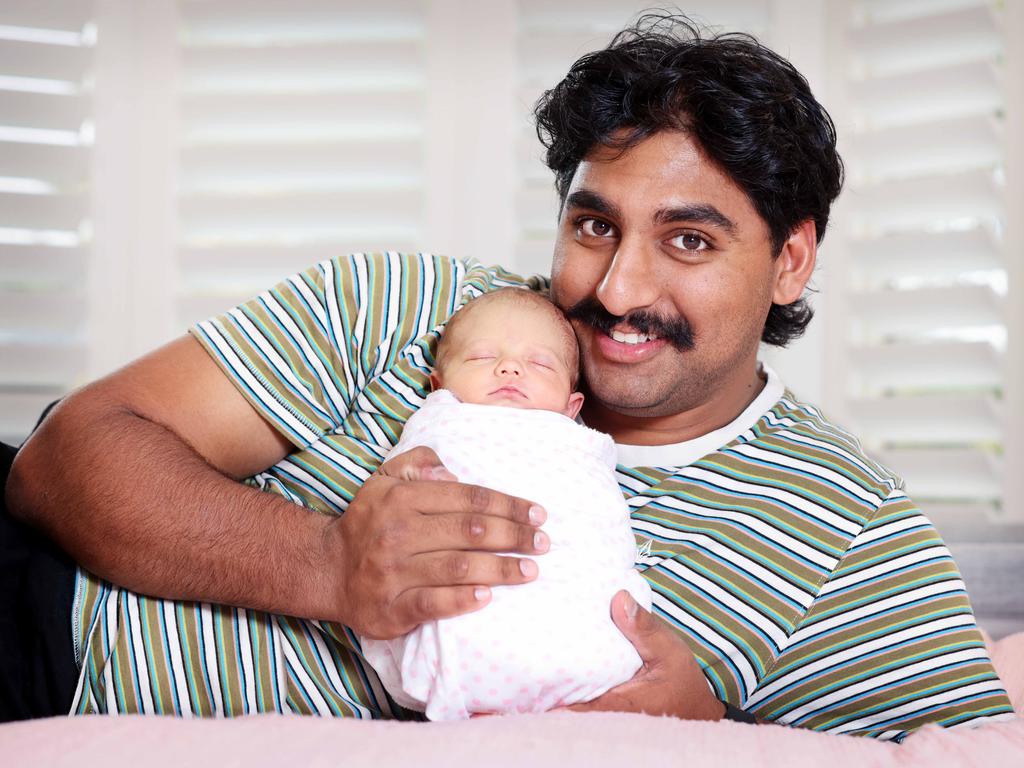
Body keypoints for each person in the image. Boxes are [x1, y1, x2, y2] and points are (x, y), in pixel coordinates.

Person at [3, 14, 1014, 737]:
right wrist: (326, 565)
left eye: (690, 240)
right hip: (34, 597)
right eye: (593, 225)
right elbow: (61, 459)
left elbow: (969, 745)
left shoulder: (843, 527)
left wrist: (714, 728)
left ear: (790, 258)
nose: (617, 289)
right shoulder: (403, 302)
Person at [360, 288, 652, 720]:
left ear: (572, 408)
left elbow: (600, 522)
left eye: (539, 363)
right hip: (462, 617)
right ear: (439, 387)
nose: (509, 367)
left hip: (574, 612)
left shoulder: (574, 443)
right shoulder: (445, 421)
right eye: (480, 357)